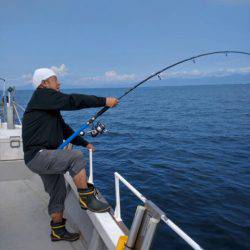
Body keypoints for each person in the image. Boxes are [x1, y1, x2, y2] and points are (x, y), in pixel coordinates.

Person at [22, 68, 119, 242]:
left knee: (58, 192)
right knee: (75, 157)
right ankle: (86, 198)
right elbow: (72, 101)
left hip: (42, 156)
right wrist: (104, 101)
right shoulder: (42, 96)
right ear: (44, 84)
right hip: (39, 155)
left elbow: (64, 129)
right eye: (55, 80)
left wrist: (86, 143)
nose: (59, 83)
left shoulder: (48, 105)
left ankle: (57, 231)